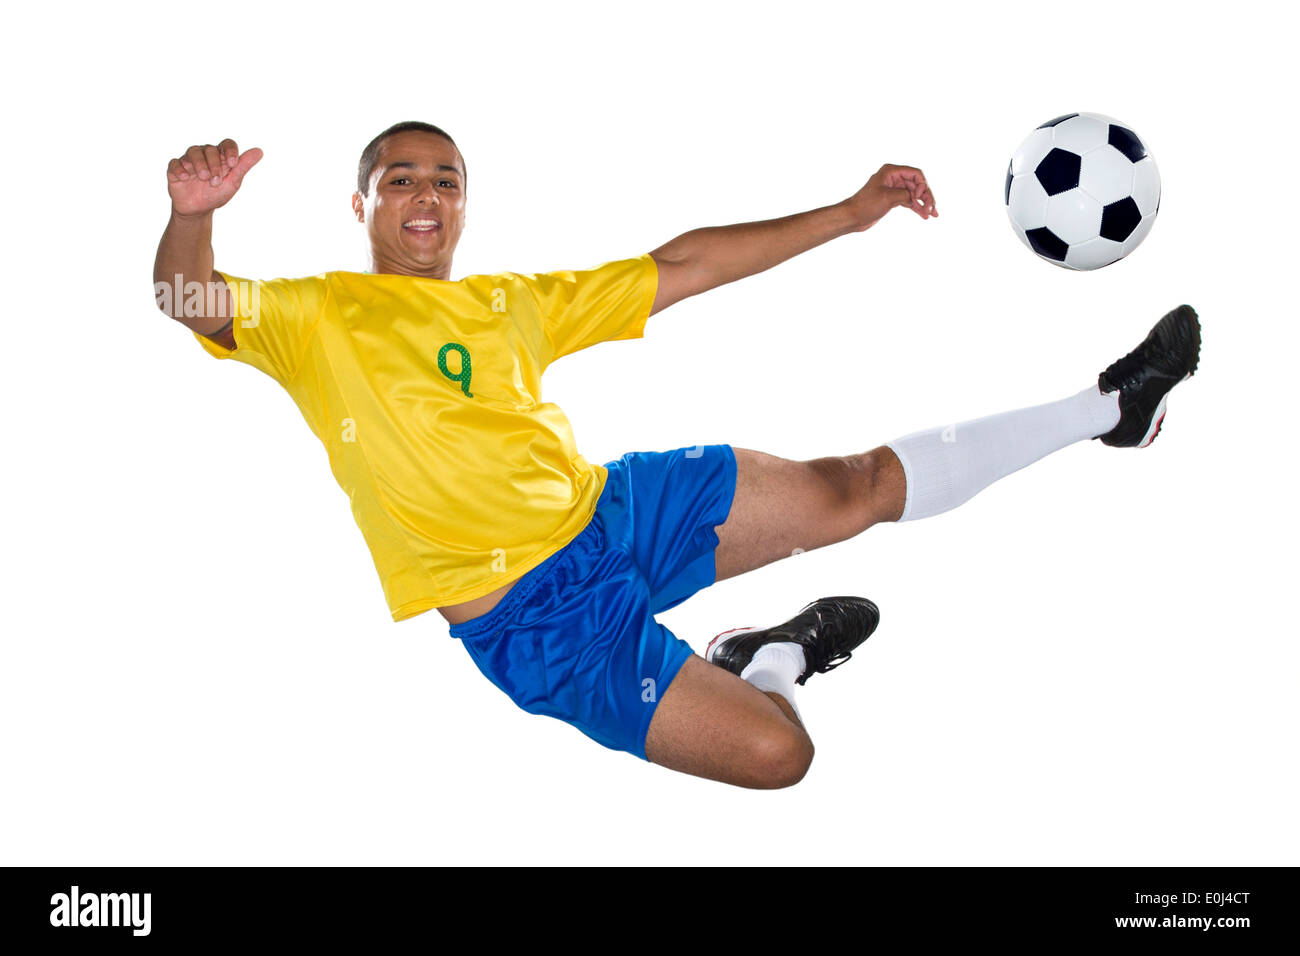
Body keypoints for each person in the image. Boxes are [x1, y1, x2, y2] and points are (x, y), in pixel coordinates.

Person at [154, 121, 1200, 789]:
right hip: (532, 620)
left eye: (446, 178)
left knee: (853, 488)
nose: (424, 194)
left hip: (613, 510)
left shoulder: (512, 302)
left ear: (463, 203)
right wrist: (188, 220)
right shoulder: (312, 314)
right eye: (398, 178)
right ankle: (766, 659)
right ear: (362, 204)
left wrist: (849, 211)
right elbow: (188, 300)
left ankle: (1106, 406)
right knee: (779, 756)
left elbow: (684, 264)